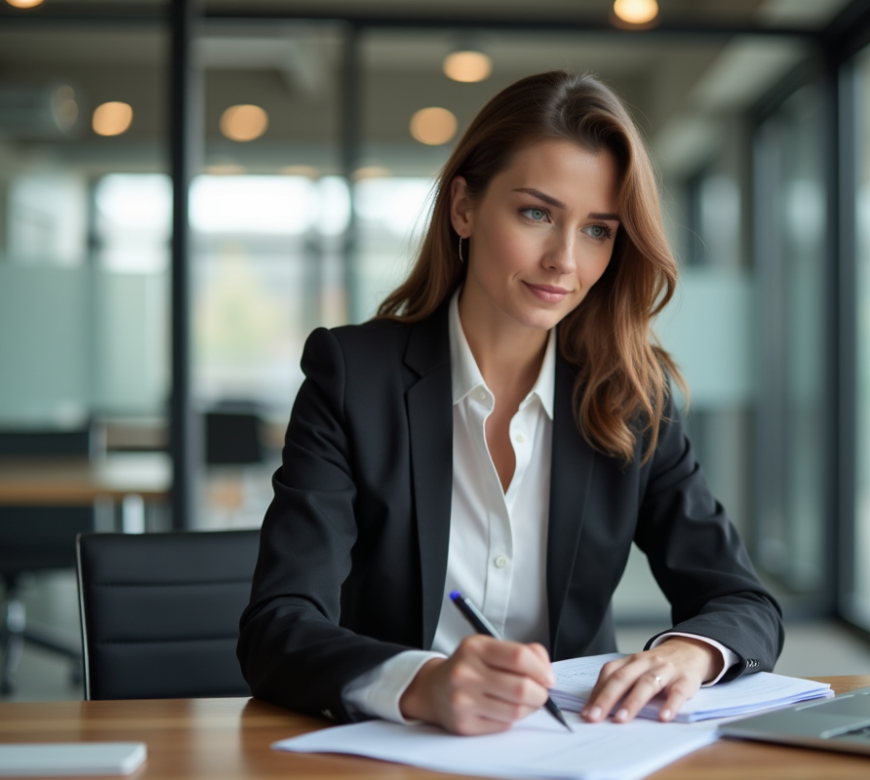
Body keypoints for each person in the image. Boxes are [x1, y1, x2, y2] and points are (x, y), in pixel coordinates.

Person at [237, 70, 782, 736]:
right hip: (390, 748)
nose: (564, 260)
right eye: (536, 214)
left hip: (570, 753)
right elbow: (277, 629)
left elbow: (742, 600)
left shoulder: (631, 397)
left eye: (598, 231)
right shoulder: (353, 377)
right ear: (464, 208)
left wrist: (690, 653)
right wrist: (422, 683)